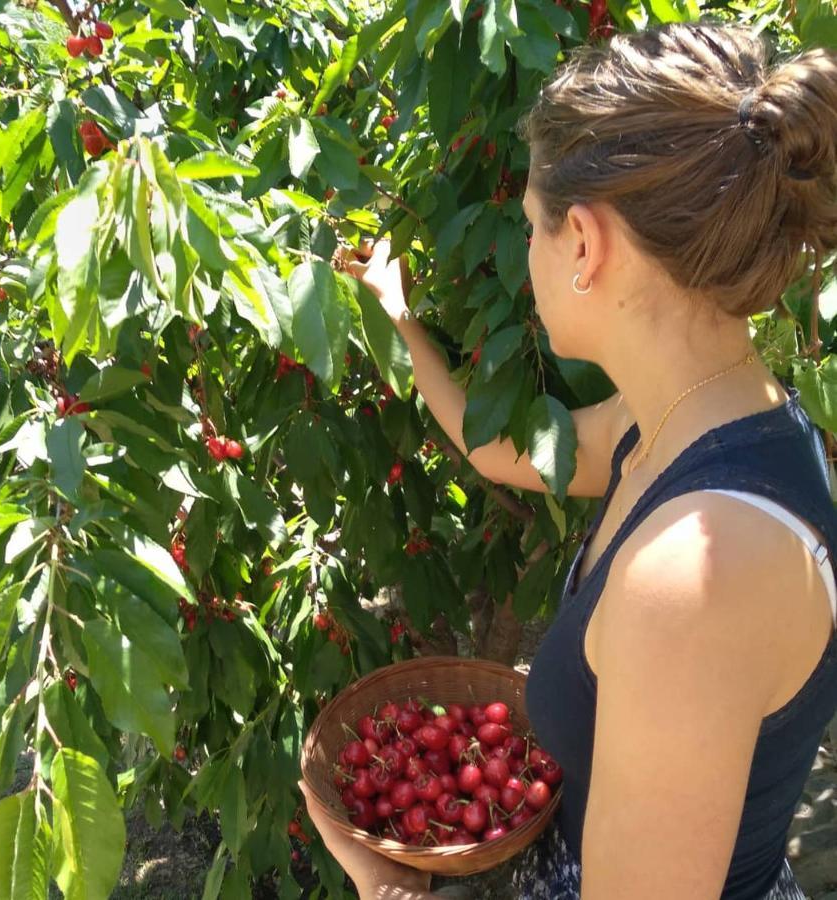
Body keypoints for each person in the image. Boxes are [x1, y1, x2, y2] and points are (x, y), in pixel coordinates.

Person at [299, 20, 837, 900]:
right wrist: (399, 322)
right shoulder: (692, 415)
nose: (528, 254)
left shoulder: (693, 580)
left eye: (531, 228)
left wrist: (384, 892)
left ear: (582, 244)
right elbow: (513, 452)